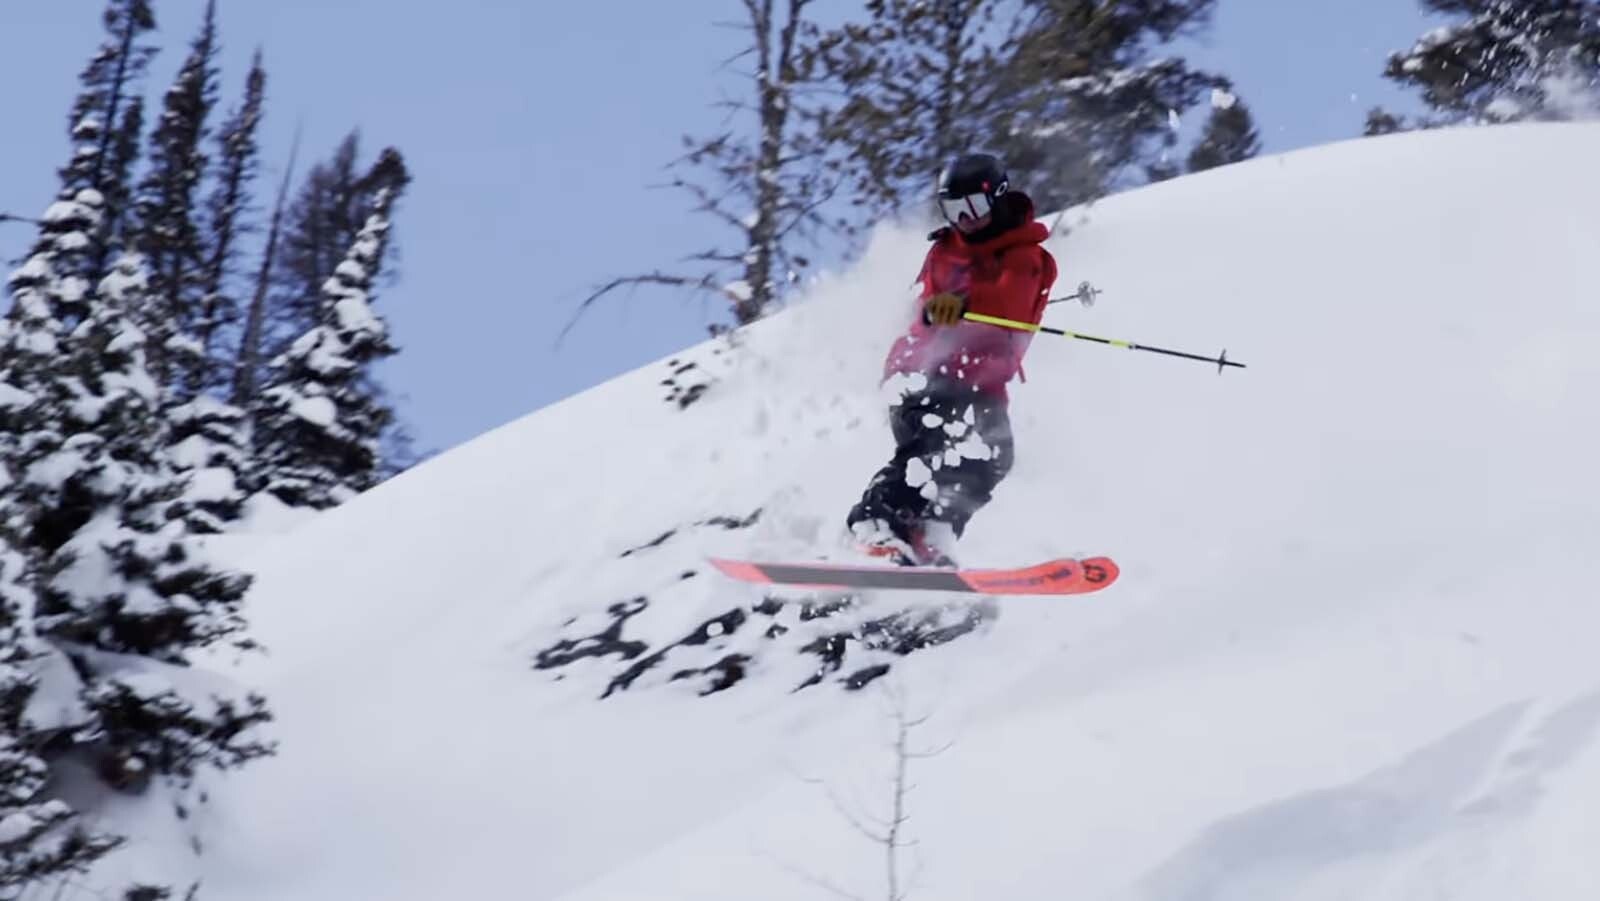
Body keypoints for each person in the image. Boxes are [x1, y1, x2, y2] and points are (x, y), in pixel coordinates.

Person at [846, 152, 1058, 566]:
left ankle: (932, 529)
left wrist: (962, 302)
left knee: (993, 456)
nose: (966, 219)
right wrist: (933, 308)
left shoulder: (1026, 256)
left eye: (974, 206)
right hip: (924, 370)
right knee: (936, 441)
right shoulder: (944, 251)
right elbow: (919, 303)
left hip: (981, 382)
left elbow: (1008, 305)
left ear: (998, 197)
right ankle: (875, 520)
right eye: (954, 209)